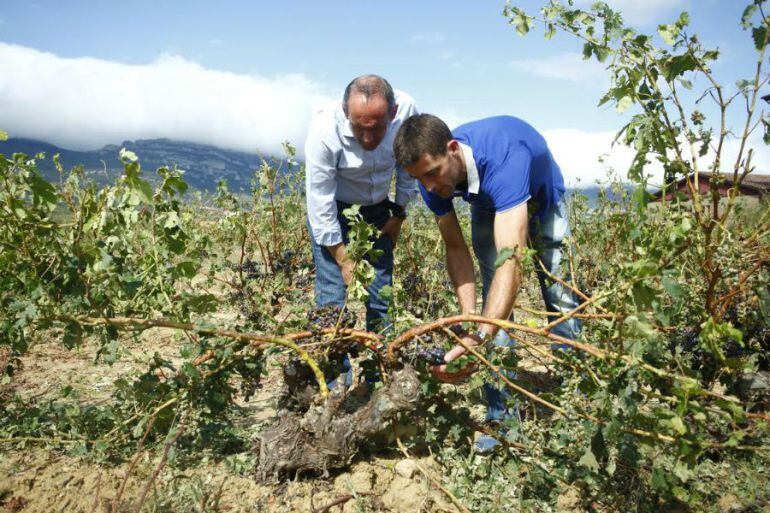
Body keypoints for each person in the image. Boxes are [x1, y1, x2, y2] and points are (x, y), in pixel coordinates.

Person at [393, 113, 581, 451]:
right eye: (419, 179)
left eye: (432, 173)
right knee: (492, 303)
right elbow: (455, 248)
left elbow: (512, 256)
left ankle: (579, 402)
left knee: (559, 295)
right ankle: (501, 419)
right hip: (485, 198)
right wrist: (469, 323)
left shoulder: (505, 158)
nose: (430, 187)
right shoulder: (432, 178)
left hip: (541, 197)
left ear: (452, 149)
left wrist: (481, 335)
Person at [305, 75, 418, 383]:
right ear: (345, 111)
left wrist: (399, 214)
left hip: (381, 211)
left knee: (380, 294)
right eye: (359, 128)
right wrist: (343, 259)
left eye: (377, 128)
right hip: (335, 212)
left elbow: (409, 170)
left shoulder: (407, 113)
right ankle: (334, 382)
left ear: (392, 114)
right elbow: (319, 202)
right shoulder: (324, 132)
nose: (368, 139)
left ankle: (380, 376)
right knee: (332, 299)